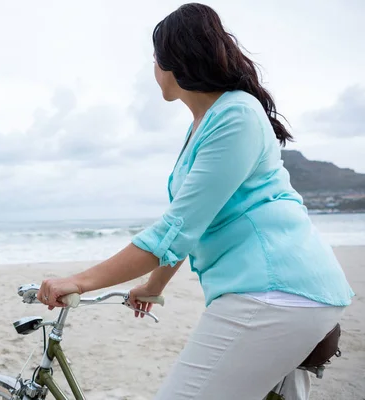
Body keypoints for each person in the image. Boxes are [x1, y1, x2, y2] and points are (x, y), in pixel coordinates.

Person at [37, 3, 355, 400]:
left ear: (175, 60)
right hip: (277, 294)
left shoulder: (236, 115)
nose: (152, 68)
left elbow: (175, 229)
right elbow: (191, 224)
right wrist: (153, 285)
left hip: (274, 293)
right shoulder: (208, 123)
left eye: (155, 57)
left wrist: (77, 281)